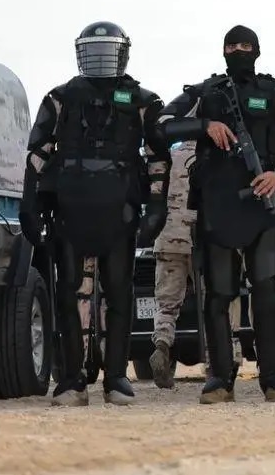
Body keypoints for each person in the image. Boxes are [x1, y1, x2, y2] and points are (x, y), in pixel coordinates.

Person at [20, 22, 171, 406]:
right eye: (93, 49)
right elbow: (37, 155)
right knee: (69, 293)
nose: (101, 57)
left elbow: (158, 158)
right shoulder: (60, 99)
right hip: (70, 211)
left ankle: (116, 377)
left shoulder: (142, 101)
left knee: (119, 291)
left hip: (120, 212)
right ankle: (72, 379)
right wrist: (29, 204)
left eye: (108, 49)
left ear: (123, 54)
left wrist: (157, 207)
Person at [159, 25, 275, 404]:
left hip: (263, 208)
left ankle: (274, 379)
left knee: (266, 293)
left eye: (246, 45)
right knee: (218, 294)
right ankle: (220, 380)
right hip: (217, 208)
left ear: (257, 50)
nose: (239, 51)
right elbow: (161, 125)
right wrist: (204, 126)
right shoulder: (204, 94)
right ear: (223, 50)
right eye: (232, 46)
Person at [148, 141, 242, 388]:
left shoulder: (171, 155)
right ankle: (218, 363)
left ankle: (162, 345)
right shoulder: (217, 155)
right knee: (215, 303)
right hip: (204, 237)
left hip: (169, 236)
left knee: (167, 304)